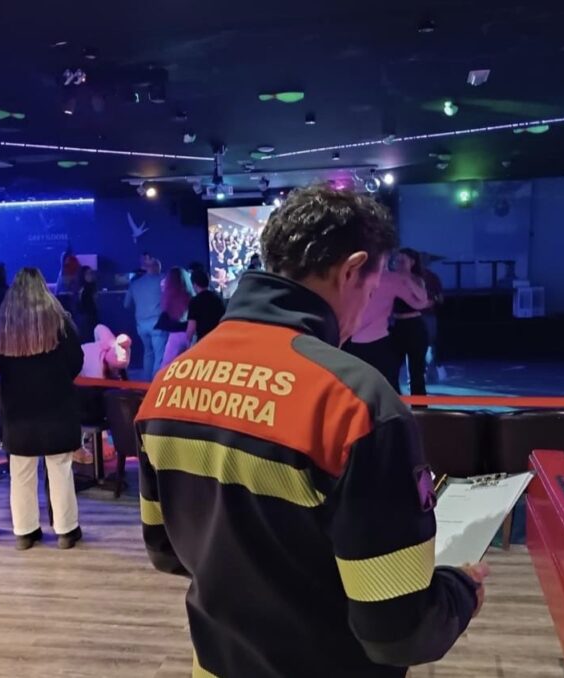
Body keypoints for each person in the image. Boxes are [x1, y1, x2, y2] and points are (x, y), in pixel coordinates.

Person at [135, 185, 487, 678]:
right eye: (370, 289)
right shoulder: (358, 403)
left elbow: (167, 552)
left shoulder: (168, 384)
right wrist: (461, 591)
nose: (366, 308)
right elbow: (397, 629)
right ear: (351, 270)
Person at [0, 268, 83, 550]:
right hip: (56, 406)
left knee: (21, 471)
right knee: (60, 468)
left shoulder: (4, 326)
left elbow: (0, 364)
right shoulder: (60, 322)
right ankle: (66, 531)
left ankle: (24, 531)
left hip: (19, 411)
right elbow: (75, 362)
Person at [344, 266, 430, 392]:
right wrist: (407, 277)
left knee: (355, 388)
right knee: (389, 388)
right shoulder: (391, 278)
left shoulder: (350, 277)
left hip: (352, 340)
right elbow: (420, 302)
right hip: (378, 340)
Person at [390, 248, 431, 396]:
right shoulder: (390, 278)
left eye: (403, 261)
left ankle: (420, 411)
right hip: (396, 327)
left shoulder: (417, 279)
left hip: (415, 327)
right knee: (391, 370)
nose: (398, 263)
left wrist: (406, 278)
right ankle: (395, 407)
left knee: (416, 373)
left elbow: (422, 298)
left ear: (412, 262)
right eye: (396, 260)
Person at [124, 252, 166, 379]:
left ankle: (146, 384)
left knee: (148, 353)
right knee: (159, 356)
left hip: (141, 325)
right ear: (157, 268)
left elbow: (126, 304)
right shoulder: (163, 280)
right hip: (158, 323)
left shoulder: (135, 284)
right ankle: (156, 385)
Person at [155, 267, 193, 369]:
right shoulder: (191, 296)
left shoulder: (168, 296)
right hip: (192, 333)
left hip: (176, 335)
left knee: (166, 366)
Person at [185, 269, 224, 344]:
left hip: (203, 341)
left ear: (194, 284)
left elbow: (191, 328)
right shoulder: (217, 298)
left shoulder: (194, 301)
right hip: (218, 339)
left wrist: (187, 342)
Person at [74, 266, 99, 342]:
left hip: (92, 316)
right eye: (88, 273)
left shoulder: (92, 287)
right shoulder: (82, 289)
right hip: (85, 319)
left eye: (91, 273)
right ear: (83, 275)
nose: (90, 275)